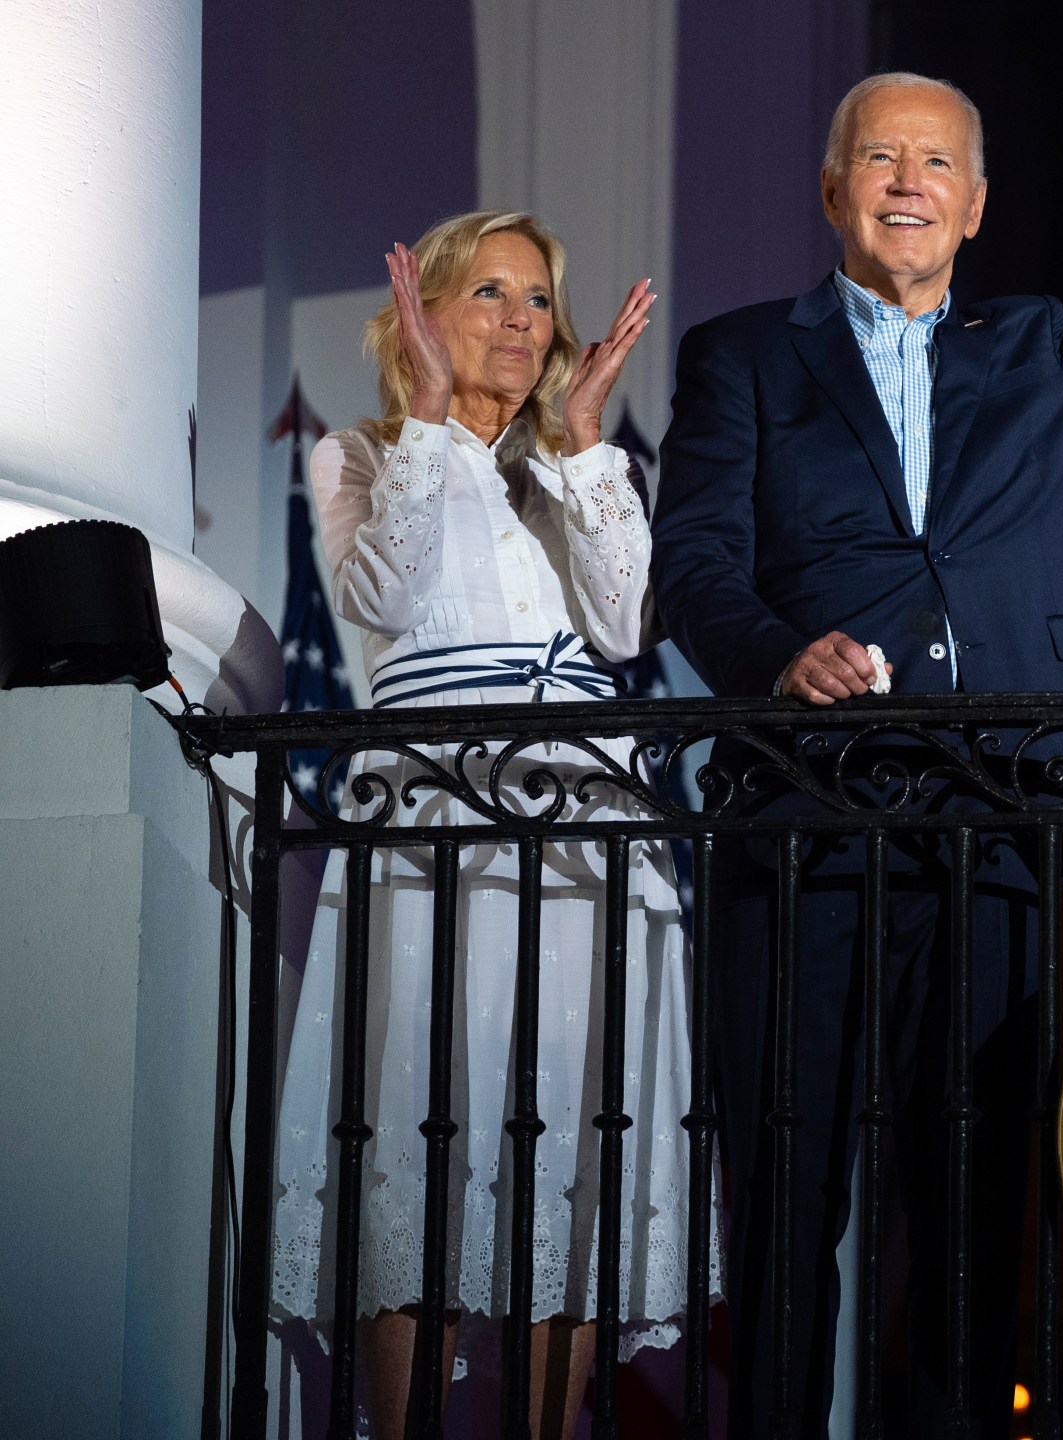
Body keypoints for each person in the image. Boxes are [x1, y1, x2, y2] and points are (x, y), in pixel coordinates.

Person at [649, 8, 1063, 1434]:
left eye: (938, 162)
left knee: (969, 1205)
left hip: (1001, 813)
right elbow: (695, 562)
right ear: (832, 190)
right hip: (805, 825)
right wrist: (782, 659)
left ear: (976, 202)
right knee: (789, 1195)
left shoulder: (1052, 350)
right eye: (880, 158)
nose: (908, 181)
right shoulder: (742, 360)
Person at [270, 211, 713, 1440]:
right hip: (435, 841)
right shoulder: (360, 456)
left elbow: (625, 632)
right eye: (490, 294)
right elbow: (385, 593)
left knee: (573, 1151)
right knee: (424, 1134)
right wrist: (424, 418)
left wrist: (582, 449)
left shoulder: (566, 480)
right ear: (417, 318)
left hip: (588, 850)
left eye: (537, 300)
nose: (522, 320)